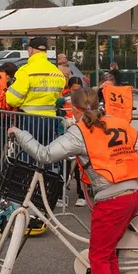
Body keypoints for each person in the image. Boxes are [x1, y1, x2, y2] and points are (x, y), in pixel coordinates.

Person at [8, 87, 138, 274]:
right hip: (131, 193)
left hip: (111, 199)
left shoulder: (79, 132)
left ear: (74, 108)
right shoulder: (117, 122)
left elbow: (45, 154)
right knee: (108, 255)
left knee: (97, 257)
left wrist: (20, 134)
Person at [5, 37, 65, 145]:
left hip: (30, 119)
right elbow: (59, 95)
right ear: (45, 51)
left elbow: (12, 100)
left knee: (28, 155)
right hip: (51, 119)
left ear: (30, 50)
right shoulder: (57, 72)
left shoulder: (25, 71)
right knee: (48, 154)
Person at [55, 76, 86, 207]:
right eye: (74, 90)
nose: (76, 92)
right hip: (66, 132)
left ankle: (82, 193)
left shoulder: (85, 97)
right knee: (65, 164)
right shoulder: (64, 97)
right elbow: (55, 106)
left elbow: (90, 109)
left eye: (78, 89)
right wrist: (63, 121)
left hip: (82, 133)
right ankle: (59, 194)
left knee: (81, 166)